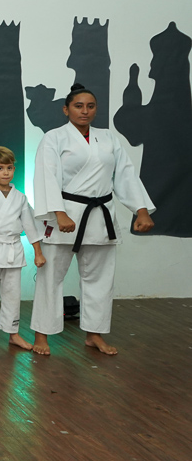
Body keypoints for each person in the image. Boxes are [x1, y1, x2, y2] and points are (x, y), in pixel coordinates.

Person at [31, 84, 154, 355]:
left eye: (90, 106)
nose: (85, 111)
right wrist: (59, 213)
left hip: (100, 216)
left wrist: (141, 209)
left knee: (100, 279)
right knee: (50, 277)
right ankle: (41, 334)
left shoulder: (108, 138)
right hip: (66, 214)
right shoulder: (54, 138)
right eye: (78, 106)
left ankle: (94, 334)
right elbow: (46, 175)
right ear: (66, 110)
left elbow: (125, 174)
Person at [0, 146, 45, 352]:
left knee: (12, 294)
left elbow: (30, 226)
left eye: (9, 168)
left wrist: (38, 253)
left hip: (13, 249)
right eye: (0, 168)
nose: (5, 172)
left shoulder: (20, 197)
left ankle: (13, 333)